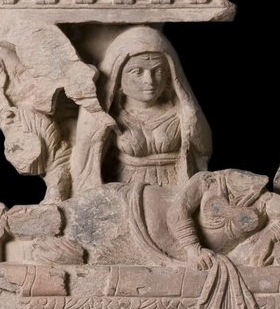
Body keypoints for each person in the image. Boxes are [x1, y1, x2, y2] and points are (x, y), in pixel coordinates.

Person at [71, 26, 211, 192]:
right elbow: (88, 160)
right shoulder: (110, 119)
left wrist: (192, 116)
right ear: (117, 79)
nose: (149, 80)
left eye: (158, 71)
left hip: (174, 190)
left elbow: (203, 150)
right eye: (137, 71)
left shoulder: (182, 114)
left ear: (169, 76)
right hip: (125, 191)